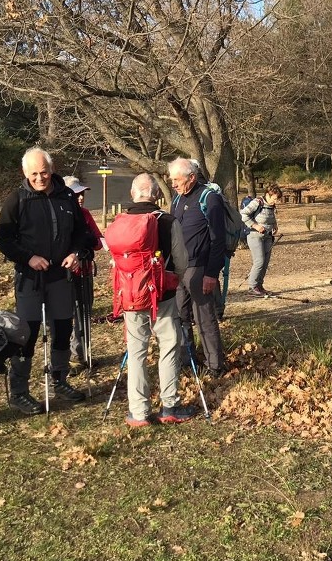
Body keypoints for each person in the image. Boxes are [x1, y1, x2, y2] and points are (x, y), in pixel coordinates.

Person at [0, 148, 94, 414]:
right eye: (34, 174)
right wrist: (28, 258)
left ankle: (59, 379)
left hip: (61, 277)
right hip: (31, 279)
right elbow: (2, 240)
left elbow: (82, 234)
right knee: (27, 334)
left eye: (44, 172)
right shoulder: (17, 200)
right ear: (25, 174)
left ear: (52, 169)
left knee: (62, 328)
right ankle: (19, 391)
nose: (40, 178)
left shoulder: (67, 197)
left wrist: (76, 253)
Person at [110, 173, 196, 426]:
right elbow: (181, 261)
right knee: (168, 347)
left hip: (130, 296)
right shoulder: (168, 221)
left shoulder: (120, 221)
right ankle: (169, 405)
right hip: (163, 296)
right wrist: (172, 281)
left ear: (132, 194)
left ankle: (138, 412)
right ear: (157, 194)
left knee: (136, 351)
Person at [168, 157, 228, 377]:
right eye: (171, 179)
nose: (173, 184)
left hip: (200, 268)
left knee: (204, 317)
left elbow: (218, 239)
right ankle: (188, 360)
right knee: (180, 315)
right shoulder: (176, 199)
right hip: (178, 269)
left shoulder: (209, 198)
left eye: (177, 179)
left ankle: (215, 366)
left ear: (192, 177)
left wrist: (211, 273)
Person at [65, 176, 106, 374]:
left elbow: (98, 241)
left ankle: (81, 353)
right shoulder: (60, 216)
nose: (81, 198)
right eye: (76, 194)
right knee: (68, 314)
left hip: (85, 270)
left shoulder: (86, 214)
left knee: (84, 312)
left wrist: (88, 241)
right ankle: (68, 356)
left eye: (82, 194)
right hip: (64, 274)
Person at [241, 183, 281, 296]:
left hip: (268, 236)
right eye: (275, 198)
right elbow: (243, 215)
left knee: (265, 262)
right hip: (254, 236)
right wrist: (255, 226)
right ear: (269, 194)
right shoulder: (257, 202)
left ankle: (259, 286)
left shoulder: (272, 205)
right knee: (259, 261)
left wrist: (275, 226)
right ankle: (252, 286)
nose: (276, 201)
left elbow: (271, 216)